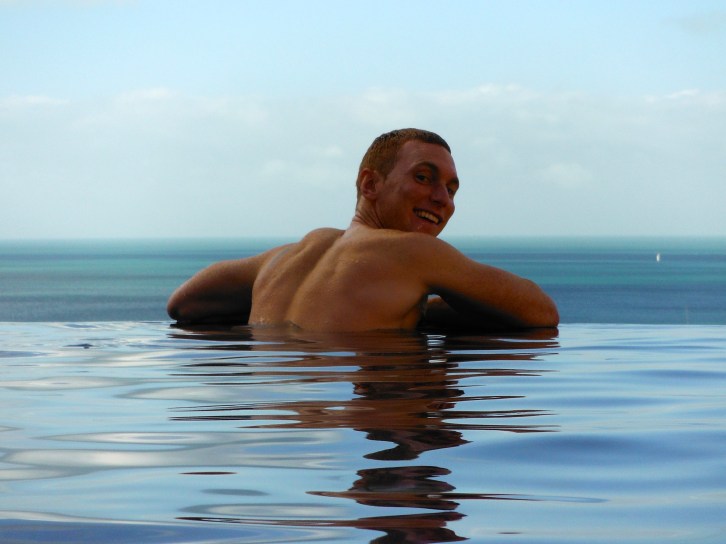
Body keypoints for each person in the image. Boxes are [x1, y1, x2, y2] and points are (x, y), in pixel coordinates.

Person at [167, 128, 559, 331]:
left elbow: (184, 304)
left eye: (452, 189)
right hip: (343, 429)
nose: (442, 198)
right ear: (370, 184)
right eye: (424, 178)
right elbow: (541, 312)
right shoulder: (414, 252)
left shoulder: (285, 257)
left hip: (270, 423)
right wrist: (431, 308)